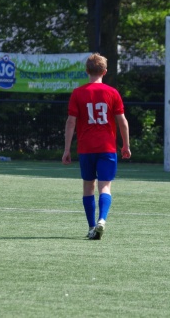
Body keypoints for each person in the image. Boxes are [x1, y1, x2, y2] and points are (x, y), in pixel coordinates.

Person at [62, 53, 131, 240]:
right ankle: (102, 220)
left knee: (87, 187)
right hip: (107, 147)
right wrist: (126, 145)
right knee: (105, 187)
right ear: (105, 72)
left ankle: (92, 226)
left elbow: (70, 122)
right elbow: (122, 121)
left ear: (87, 71)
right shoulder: (112, 93)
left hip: (86, 148)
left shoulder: (78, 93)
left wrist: (67, 149)